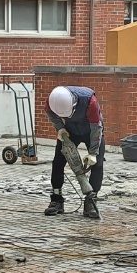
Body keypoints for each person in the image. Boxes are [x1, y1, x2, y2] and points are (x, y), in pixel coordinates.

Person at [43, 85, 104, 220]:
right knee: (58, 162)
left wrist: (93, 153)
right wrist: (60, 128)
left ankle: (90, 202)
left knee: (98, 165)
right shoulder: (53, 100)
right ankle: (57, 199)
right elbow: (49, 112)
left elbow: (96, 128)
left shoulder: (90, 102)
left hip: (91, 130)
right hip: (69, 130)